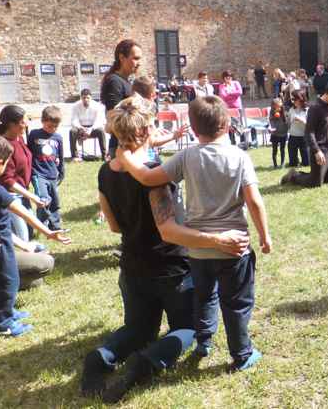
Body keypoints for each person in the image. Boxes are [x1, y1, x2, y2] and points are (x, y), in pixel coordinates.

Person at [82, 97, 250, 403]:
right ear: (147, 129)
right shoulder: (156, 173)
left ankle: (100, 358)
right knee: (188, 329)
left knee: (138, 330)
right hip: (170, 270)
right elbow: (169, 230)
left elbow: (114, 226)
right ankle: (143, 365)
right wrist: (218, 240)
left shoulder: (105, 172)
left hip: (132, 268)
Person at [116, 95, 271, 372]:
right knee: (236, 303)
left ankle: (204, 342)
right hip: (234, 249)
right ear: (226, 124)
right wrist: (264, 236)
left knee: (204, 296)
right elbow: (254, 201)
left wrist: (125, 159)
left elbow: (148, 178)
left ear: (194, 128)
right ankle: (242, 354)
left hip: (198, 252)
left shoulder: (186, 156)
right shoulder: (239, 157)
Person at [0, 132, 70, 337]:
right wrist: (48, 232)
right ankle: (3, 325)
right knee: (8, 282)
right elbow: (24, 213)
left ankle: (2, 314)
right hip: (0, 244)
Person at [0, 106, 46, 243]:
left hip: (22, 193)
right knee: (23, 238)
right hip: (9, 196)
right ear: (11, 125)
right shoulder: (4, 146)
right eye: (23, 121)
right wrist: (33, 196)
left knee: (29, 232)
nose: (27, 123)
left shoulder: (19, 139)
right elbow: (7, 181)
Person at [281, 80, 328, 187]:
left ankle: (314, 174)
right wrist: (317, 151)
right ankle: (293, 175)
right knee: (315, 183)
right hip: (321, 150)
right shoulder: (315, 108)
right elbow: (309, 132)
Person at [101, 39, 141, 158]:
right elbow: (112, 115)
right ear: (122, 58)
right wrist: (135, 100)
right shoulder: (114, 81)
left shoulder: (126, 81)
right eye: (135, 58)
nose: (139, 63)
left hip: (131, 144)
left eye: (139, 59)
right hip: (122, 147)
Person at [27, 106, 64, 231]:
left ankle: (56, 226)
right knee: (43, 199)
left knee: (54, 201)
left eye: (55, 127)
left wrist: (61, 171)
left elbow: (60, 155)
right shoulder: (34, 135)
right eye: (49, 126)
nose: (52, 129)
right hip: (38, 174)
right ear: (43, 121)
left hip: (52, 174)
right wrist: (30, 171)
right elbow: (29, 153)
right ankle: (42, 224)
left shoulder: (57, 138)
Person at [70, 88, 107, 161]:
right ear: (81, 98)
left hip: (93, 128)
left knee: (101, 131)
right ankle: (75, 156)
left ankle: (104, 155)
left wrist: (91, 129)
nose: (86, 99)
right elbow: (74, 120)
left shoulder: (97, 106)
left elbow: (99, 121)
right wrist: (80, 128)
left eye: (88, 98)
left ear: (91, 98)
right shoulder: (75, 106)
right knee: (72, 131)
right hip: (80, 128)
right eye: (84, 98)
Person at [287, 89, 309, 168]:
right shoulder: (291, 110)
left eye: (295, 99)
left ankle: (303, 161)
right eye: (292, 99)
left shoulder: (307, 111)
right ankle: (295, 161)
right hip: (293, 136)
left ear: (301, 99)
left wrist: (302, 121)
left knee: (306, 163)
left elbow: (310, 126)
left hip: (303, 137)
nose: (293, 101)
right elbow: (288, 122)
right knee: (292, 163)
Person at [268, 98, 289, 168]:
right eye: (276, 107)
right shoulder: (272, 112)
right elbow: (270, 122)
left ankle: (282, 163)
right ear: (273, 106)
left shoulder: (284, 111)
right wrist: (270, 128)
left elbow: (287, 122)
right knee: (274, 150)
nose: (278, 108)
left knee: (282, 149)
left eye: (279, 106)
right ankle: (275, 164)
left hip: (283, 133)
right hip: (275, 134)